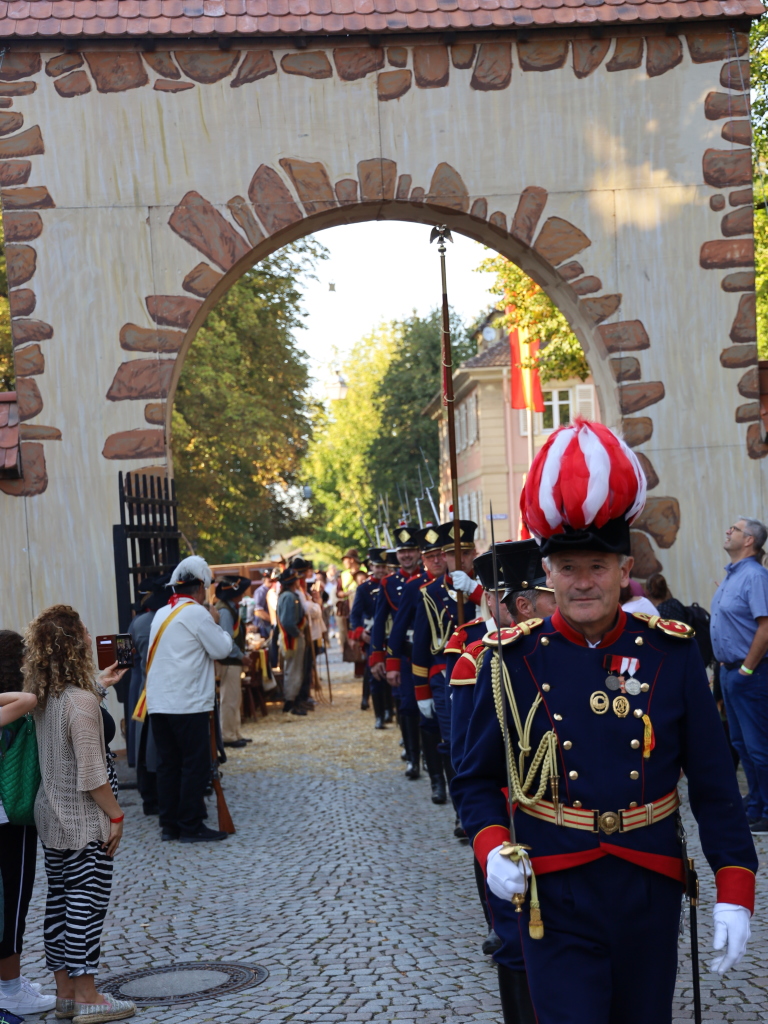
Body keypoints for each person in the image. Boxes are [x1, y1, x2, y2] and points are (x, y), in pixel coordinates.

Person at [452, 419, 757, 1024]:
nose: (583, 581)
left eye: (597, 566)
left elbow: (717, 788)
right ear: (548, 576)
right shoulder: (511, 661)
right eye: (568, 569)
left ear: (623, 570)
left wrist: (736, 891)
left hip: (648, 883)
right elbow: (474, 779)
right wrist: (490, 848)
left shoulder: (669, 653)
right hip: (552, 883)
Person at [447, 541, 555, 1020]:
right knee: (517, 937)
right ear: (526, 603)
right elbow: (470, 759)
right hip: (514, 813)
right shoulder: (484, 658)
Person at [23, 605, 136, 1023]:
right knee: (86, 906)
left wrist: (99, 686)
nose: (91, 636)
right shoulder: (80, 703)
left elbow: (72, 711)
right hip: (84, 819)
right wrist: (117, 816)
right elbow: (92, 773)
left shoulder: (46, 697)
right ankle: (89, 996)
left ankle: (66, 994)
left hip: (51, 817)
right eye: (84, 632)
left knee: (60, 904)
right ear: (74, 644)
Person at [145, 556, 234, 843]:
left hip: (159, 703)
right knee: (194, 765)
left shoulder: (161, 613)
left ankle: (169, 825)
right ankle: (191, 824)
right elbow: (221, 649)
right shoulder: (196, 614)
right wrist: (218, 624)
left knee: (168, 765)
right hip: (188, 702)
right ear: (200, 588)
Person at [0, 632, 56, 1018]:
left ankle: (11, 984)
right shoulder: (15, 705)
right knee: (13, 903)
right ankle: (9, 988)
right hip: (9, 818)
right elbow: (31, 699)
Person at [410, 520, 482, 804]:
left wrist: (476, 591)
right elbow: (420, 648)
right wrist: (421, 692)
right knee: (454, 741)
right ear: (444, 556)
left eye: (464, 553)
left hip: (485, 672)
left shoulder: (488, 585)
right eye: (452, 554)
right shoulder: (430, 593)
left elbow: (504, 618)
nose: (458, 559)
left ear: (474, 553)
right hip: (446, 677)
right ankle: (461, 808)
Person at [711, 516, 768, 834]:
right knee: (742, 744)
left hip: (751, 673)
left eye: (734, 528)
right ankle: (757, 803)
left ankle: (767, 809)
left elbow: (766, 626)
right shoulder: (733, 576)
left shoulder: (755, 577)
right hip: (730, 673)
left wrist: (747, 668)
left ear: (749, 541)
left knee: (759, 745)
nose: (728, 530)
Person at [370, 525, 425, 776]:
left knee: (430, 706)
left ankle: (430, 752)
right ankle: (413, 757)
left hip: (428, 650)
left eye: (411, 550)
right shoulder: (388, 583)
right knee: (407, 705)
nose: (406, 556)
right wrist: (378, 657)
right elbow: (380, 623)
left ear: (418, 552)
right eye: (402, 552)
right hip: (401, 651)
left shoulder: (430, 578)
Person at [127, 575, 169, 816]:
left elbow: (123, 657)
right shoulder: (173, 620)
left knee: (143, 744)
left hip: (141, 688)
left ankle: (149, 797)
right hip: (166, 690)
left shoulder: (138, 622)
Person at [348, 548, 389, 716]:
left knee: (391, 673)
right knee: (375, 675)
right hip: (371, 635)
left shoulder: (392, 584)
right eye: (377, 567)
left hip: (390, 634)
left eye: (383, 567)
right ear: (372, 567)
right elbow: (355, 615)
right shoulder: (364, 588)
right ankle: (379, 714)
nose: (380, 571)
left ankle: (389, 711)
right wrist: (360, 633)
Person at [214, 575, 252, 749]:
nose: (243, 595)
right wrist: (241, 655)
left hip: (232, 661)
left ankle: (234, 732)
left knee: (234, 698)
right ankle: (228, 735)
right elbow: (226, 640)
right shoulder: (225, 612)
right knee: (229, 699)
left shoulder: (229, 609)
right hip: (228, 661)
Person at [276, 566, 307, 716]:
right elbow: (288, 622)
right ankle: (290, 702)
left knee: (294, 670)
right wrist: (297, 633)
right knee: (293, 671)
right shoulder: (289, 597)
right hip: (292, 639)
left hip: (293, 637)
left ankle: (292, 701)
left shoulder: (288, 596)